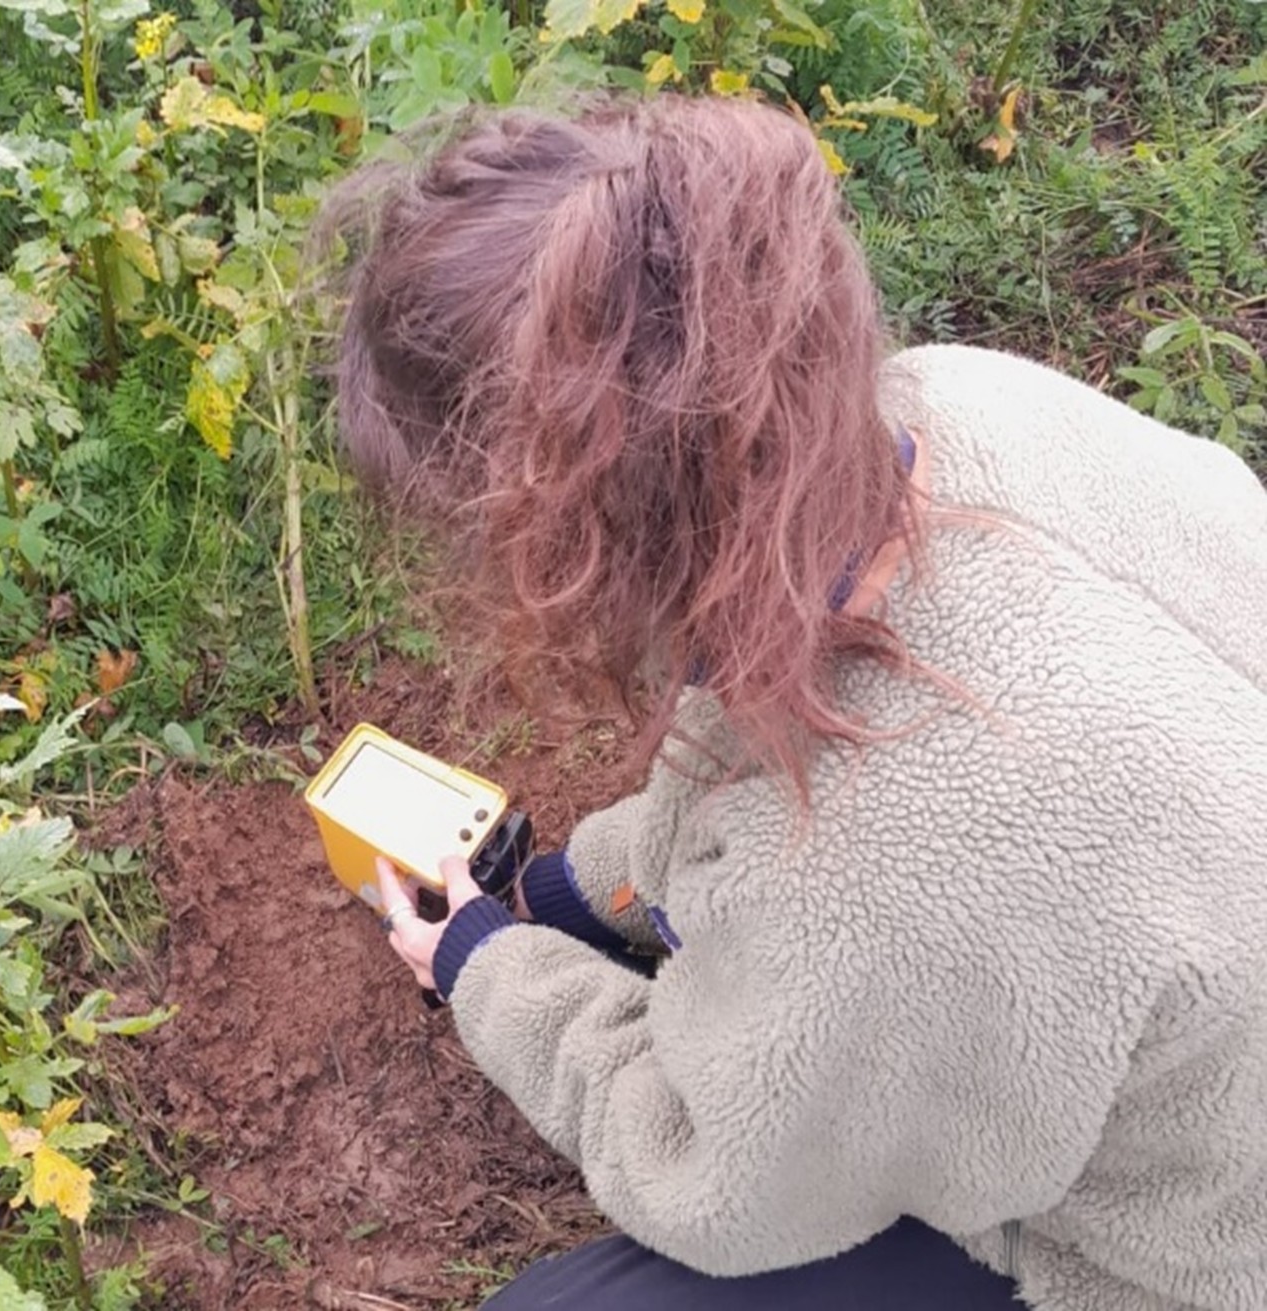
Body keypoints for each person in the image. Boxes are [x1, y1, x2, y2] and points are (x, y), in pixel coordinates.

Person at [318, 92, 1267, 1310]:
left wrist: (488, 968)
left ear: (578, 533)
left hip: (1204, 1256)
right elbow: (770, 727)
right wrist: (577, 891)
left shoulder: (882, 878)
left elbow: (713, 1175)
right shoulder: (954, 399)